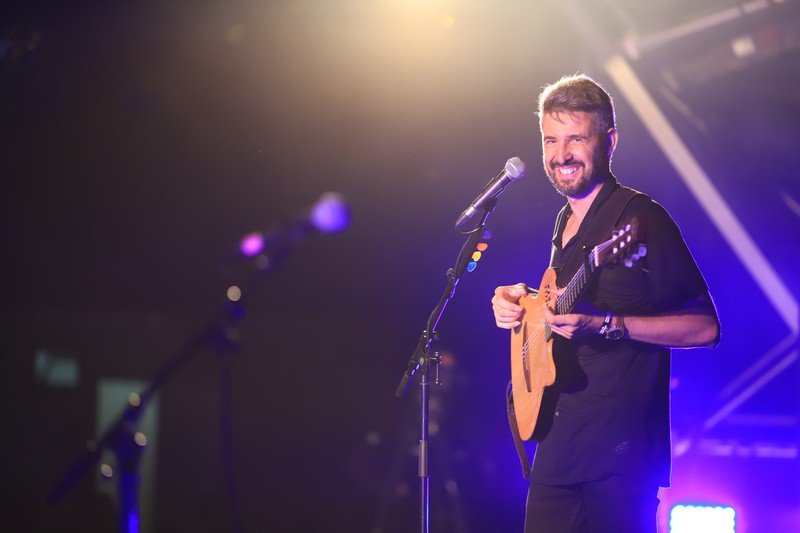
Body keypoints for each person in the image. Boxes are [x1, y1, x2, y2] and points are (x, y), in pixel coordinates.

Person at [491, 74, 720, 532]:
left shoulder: (640, 218)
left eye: (576, 138)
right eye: (551, 140)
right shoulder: (564, 221)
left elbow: (705, 327)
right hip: (558, 447)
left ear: (609, 141)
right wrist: (520, 303)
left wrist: (607, 324)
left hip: (619, 454)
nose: (561, 155)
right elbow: (560, 309)